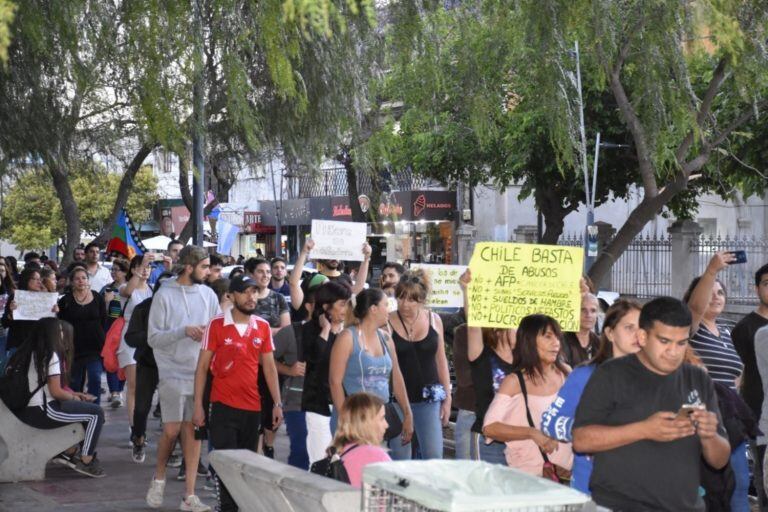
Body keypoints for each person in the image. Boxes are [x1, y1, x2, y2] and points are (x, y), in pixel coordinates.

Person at [573, 297, 730, 511]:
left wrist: (709, 435)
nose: (673, 352)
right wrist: (644, 430)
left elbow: (719, 461)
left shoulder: (698, 378)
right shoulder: (611, 374)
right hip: (620, 505)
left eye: (681, 343)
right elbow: (581, 440)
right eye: (664, 341)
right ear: (643, 336)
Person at [193, 275, 283, 512]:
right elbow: (202, 368)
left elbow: (270, 368)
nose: (251, 296)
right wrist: (198, 406)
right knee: (226, 464)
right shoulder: (216, 325)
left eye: (254, 291)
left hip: (252, 408)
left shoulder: (262, 326)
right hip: (221, 406)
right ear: (231, 296)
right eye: (245, 292)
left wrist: (277, 403)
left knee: (244, 466)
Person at [539, 299, 641, 493]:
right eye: (629, 327)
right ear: (610, 333)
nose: (637, 335)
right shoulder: (585, 375)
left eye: (642, 328)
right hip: (593, 491)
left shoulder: (658, 379)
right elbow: (549, 423)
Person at [145, 246, 219, 512]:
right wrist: (183, 331)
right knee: (172, 430)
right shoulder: (164, 295)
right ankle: (159, 477)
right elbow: (153, 338)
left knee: (193, 430)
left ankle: (189, 495)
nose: (208, 271)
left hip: (200, 371)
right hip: (171, 371)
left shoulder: (209, 294)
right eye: (204, 267)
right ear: (189, 267)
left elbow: (216, 330)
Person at [685, 252, 750, 511]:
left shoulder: (726, 330)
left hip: (731, 418)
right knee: (710, 489)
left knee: (740, 485)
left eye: (720, 293)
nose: (716, 296)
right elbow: (694, 309)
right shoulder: (693, 327)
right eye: (710, 292)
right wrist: (711, 271)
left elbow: (738, 373)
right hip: (702, 413)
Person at [12, 318, 106, 477]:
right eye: (60, 332)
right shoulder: (51, 355)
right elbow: (55, 392)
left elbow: (47, 387)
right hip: (42, 411)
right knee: (96, 413)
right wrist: (75, 399)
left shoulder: (31, 352)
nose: (63, 335)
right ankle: (86, 461)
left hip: (27, 409)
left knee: (84, 411)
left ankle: (67, 451)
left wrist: (74, 395)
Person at [482, 314, 572, 475]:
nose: (556, 343)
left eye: (557, 337)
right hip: (529, 478)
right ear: (529, 341)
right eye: (548, 337)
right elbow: (490, 428)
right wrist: (532, 433)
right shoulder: (514, 382)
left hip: (569, 475)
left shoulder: (566, 373)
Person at [328, 288, 413, 443]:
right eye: (386, 305)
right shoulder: (347, 337)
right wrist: (347, 420)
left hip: (380, 417)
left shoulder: (386, 339)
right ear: (373, 309)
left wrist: (408, 413)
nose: (389, 309)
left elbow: (397, 377)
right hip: (354, 417)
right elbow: (335, 382)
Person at [384, 269, 450, 460]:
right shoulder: (387, 322)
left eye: (412, 299)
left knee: (434, 456)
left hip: (428, 399)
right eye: (401, 298)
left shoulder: (434, 320)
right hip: (397, 400)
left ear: (422, 300)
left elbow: (441, 360)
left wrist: (447, 398)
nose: (405, 304)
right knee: (400, 459)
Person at [457, 270, 515, 463]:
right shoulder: (482, 357)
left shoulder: (525, 359)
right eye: (515, 323)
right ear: (500, 329)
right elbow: (473, 326)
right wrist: (467, 290)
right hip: (486, 439)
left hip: (518, 440)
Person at [125, 271, 174, 464]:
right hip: (148, 362)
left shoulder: (178, 310)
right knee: (142, 407)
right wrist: (152, 336)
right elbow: (130, 338)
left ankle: (172, 448)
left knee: (173, 411)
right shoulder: (143, 309)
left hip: (172, 364)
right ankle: (138, 437)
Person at [244, 257, 290, 457]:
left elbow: (285, 330)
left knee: (273, 407)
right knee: (254, 409)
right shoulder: (246, 299)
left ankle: (269, 446)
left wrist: (262, 330)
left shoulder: (277, 298)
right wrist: (270, 331)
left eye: (268, 272)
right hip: (248, 362)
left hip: (273, 360)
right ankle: (256, 447)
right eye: (261, 272)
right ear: (252, 274)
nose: (266, 276)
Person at [301, 281, 352, 464]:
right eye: (341, 304)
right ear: (325, 306)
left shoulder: (350, 331)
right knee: (321, 460)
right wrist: (326, 330)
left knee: (345, 462)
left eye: (347, 303)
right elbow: (313, 358)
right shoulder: (309, 330)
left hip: (345, 405)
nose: (346, 308)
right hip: (319, 404)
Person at [732, 262, 768, 508]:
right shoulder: (744, 328)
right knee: (765, 483)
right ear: (757, 289)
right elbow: (738, 376)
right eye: (767, 284)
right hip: (760, 417)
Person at [116, 254, 154, 443]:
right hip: (130, 338)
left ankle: (141, 426)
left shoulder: (153, 289)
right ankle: (134, 429)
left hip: (149, 339)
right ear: (133, 269)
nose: (146, 269)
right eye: (142, 266)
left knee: (144, 386)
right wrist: (140, 269)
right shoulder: (125, 287)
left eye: (148, 267)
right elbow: (128, 291)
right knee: (133, 386)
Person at [57, 266, 107, 404]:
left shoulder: (97, 297)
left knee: (95, 377)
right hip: (73, 347)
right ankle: (77, 408)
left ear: (88, 280)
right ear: (72, 282)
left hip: (95, 346)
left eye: (84, 278)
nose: (81, 281)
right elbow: (61, 323)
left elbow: (104, 320)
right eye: (77, 279)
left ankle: (95, 408)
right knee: (75, 381)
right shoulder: (65, 301)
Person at [327, 392, 391, 489]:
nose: (387, 425)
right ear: (367, 422)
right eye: (382, 418)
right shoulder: (376, 456)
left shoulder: (335, 452)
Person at [3, 267, 55, 358]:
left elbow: (51, 325)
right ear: (26, 279)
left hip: (39, 346)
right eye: (35, 279)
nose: (39, 282)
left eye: (40, 279)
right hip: (18, 345)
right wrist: (11, 313)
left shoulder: (45, 297)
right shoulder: (15, 297)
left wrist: (55, 312)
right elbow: (5, 323)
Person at [101, 258, 129, 406]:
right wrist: (106, 302)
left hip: (125, 329)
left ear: (125, 272)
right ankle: (115, 393)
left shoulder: (130, 289)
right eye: (112, 269)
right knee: (110, 359)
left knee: (123, 360)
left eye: (116, 270)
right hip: (110, 328)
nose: (113, 272)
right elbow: (100, 312)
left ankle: (119, 389)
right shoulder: (107, 289)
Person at [561, 293, 600, 367]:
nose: (588, 315)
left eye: (593, 310)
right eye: (583, 310)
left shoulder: (599, 343)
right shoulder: (562, 341)